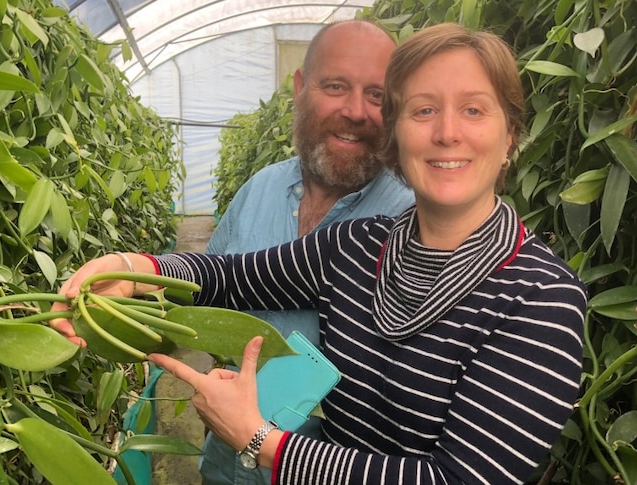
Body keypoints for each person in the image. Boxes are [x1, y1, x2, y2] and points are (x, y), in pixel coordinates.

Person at [54, 23, 587, 484]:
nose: (447, 133)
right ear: (396, 135)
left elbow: (456, 478)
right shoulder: (359, 246)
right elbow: (229, 276)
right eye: (424, 110)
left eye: (474, 110)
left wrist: (261, 440)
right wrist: (132, 269)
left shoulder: (542, 300)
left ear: (511, 135)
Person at [201, 19, 413, 484]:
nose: (356, 111)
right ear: (300, 87)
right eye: (335, 86)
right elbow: (209, 287)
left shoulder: (412, 221)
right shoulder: (260, 190)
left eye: (377, 95)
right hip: (226, 468)